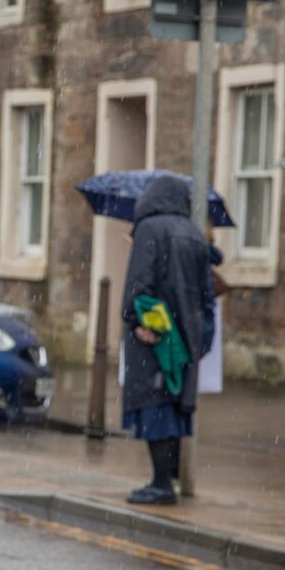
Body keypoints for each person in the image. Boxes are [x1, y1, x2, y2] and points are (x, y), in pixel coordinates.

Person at [120, 176, 211, 506]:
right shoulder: (194, 233)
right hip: (187, 333)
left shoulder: (149, 229)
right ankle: (167, 476)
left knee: (153, 404)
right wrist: (201, 339)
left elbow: (139, 285)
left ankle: (160, 484)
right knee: (173, 401)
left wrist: (135, 320)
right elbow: (206, 293)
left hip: (155, 334)